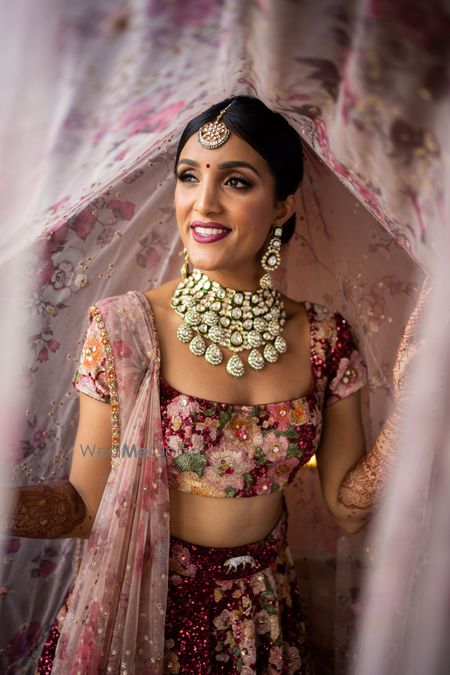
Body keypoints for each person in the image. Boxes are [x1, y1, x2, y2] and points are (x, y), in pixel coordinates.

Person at [2, 95, 409, 674]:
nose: (203, 202)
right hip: (142, 614)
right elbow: (82, 508)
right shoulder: (125, 331)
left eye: (237, 181)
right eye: (189, 176)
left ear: (281, 206)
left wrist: (414, 411)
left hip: (263, 615)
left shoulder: (325, 339)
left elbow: (346, 508)